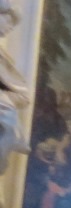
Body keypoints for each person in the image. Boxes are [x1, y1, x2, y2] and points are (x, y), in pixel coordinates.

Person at [0, 0, 29, 177]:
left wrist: (3, 98)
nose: (10, 28)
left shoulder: (4, 59)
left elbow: (23, 97)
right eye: (9, 21)